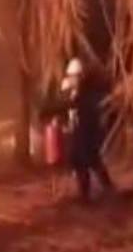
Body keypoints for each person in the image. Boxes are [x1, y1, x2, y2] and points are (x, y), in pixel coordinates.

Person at [44, 57, 115, 203]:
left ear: (80, 76)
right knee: (84, 161)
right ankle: (97, 191)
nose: (71, 79)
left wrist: (50, 109)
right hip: (80, 130)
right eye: (70, 76)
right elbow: (67, 106)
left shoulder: (86, 92)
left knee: (86, 161)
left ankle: (93, 193)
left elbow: (72, 105)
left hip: (87, 131)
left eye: (73, 77)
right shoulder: (75, 90)